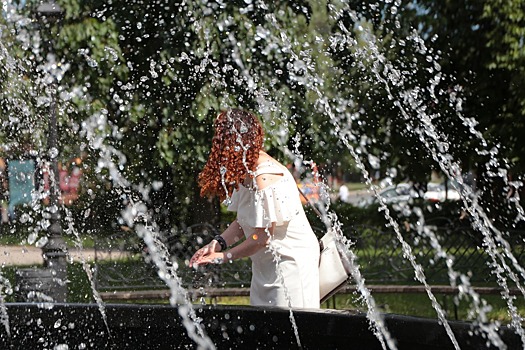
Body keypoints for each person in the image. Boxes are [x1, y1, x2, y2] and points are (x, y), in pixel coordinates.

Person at [190, 109, 320, 308]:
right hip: (268, 264)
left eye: (221, 139)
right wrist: (217, 244)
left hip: (290, 265)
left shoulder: (265, 176)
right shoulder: (247, 171)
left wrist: (222, 257)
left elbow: (262, 236)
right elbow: (244, 221)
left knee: (292, 329)